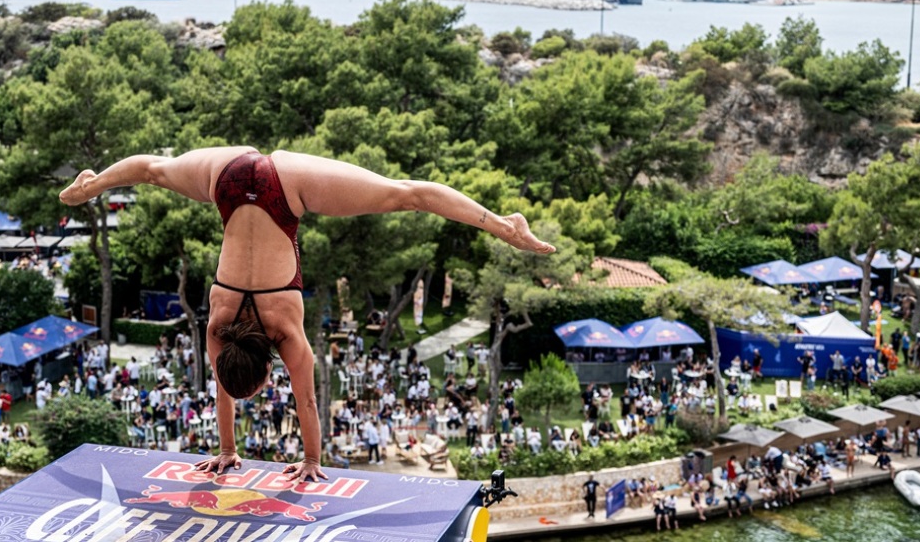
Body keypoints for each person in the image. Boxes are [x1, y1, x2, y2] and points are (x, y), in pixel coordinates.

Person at [61, 147, 554, 483]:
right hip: (230, 175)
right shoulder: (218, 324)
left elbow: (307, 404)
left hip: (285, 188)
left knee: (405, 196)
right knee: (154, 169)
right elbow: (225, 388)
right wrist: (228, 450)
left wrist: (312, 460)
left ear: (266, 366)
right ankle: (91, 185)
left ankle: (507, 228)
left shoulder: (287, 333)